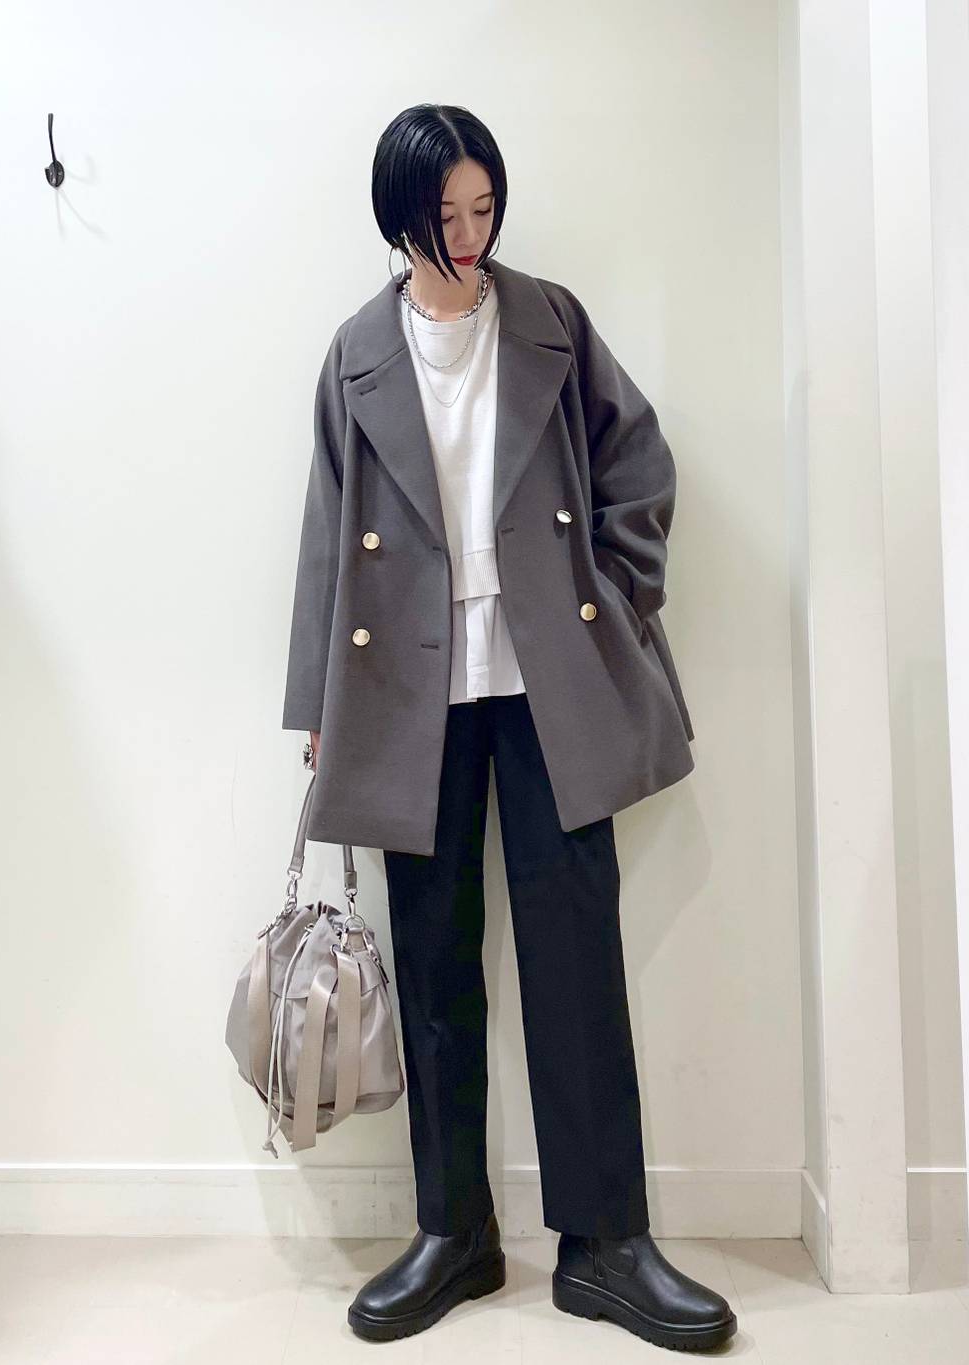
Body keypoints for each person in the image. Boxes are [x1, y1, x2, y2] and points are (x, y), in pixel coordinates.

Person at [284, 103, 736, 1352]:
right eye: (446, 214)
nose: (470, 233)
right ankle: (454, 1235)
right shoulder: (358, 353)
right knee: (433, 967)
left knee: (575, 959)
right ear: (401, 216)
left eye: (484, 208)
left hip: (550, 685)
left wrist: (621, 597)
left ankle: (605, 1245)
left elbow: (638, 463)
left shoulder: (549, 322)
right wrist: (316, 708)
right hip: (405, 697)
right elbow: (325, 534)